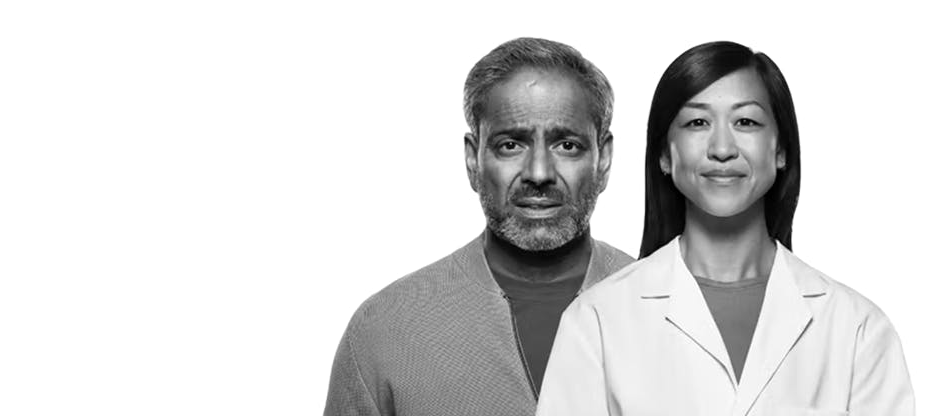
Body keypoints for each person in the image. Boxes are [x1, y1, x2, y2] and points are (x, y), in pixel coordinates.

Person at [536, 41, 914, 416]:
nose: (721, 148)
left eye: (746, 122)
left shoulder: (857, 330)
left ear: (780, 150)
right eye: (697, 122)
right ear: (665, 155)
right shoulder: (597, 323)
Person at [323, 37, 634, 416]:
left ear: (603, 161)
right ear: (473, 160)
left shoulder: (679, 315)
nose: (539, 173)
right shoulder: (384, 332)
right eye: (510, 145)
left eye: (567, 145)